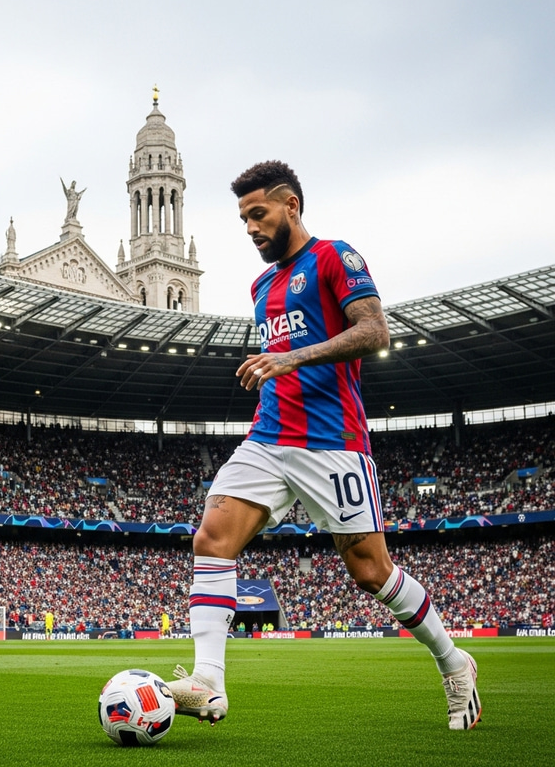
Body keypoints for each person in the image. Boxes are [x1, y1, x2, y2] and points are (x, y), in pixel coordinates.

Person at [166, 161, 481, 731]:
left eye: (257, 214)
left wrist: (291, 357)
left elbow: (374, 331)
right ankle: (208, 680)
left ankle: (454, 661)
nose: (250, 229)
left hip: (332, 441)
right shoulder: (261, 286)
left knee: (370, 572)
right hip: (267, 436)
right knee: (211, 538)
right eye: (242, 218)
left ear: (291, 205)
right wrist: (275, 368)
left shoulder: (337, 257)